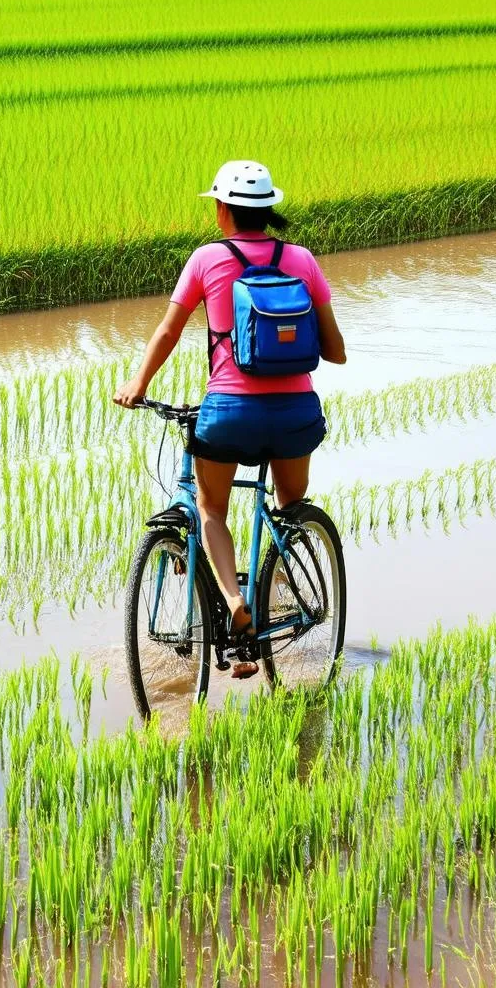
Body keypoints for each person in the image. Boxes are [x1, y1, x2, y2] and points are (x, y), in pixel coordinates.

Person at [113, 160, 346, 677]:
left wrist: (138, 385)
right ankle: (268, 610)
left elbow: (169, 332)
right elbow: (336, 352)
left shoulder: (206, 259)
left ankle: (237, 605)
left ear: (222, 210)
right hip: (295, 416)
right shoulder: (302, 260)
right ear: (268, 210)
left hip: (229, 413)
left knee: (211, 510)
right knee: (289, 506)